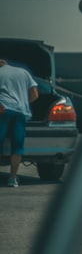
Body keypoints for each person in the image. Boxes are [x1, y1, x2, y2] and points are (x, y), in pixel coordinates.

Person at [0, 59, 39, 188]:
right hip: (20, 112)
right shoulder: (23, 72)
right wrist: (23, 103)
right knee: (17, 147)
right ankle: (12, 179)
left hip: (3, 110)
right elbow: (35, 95)